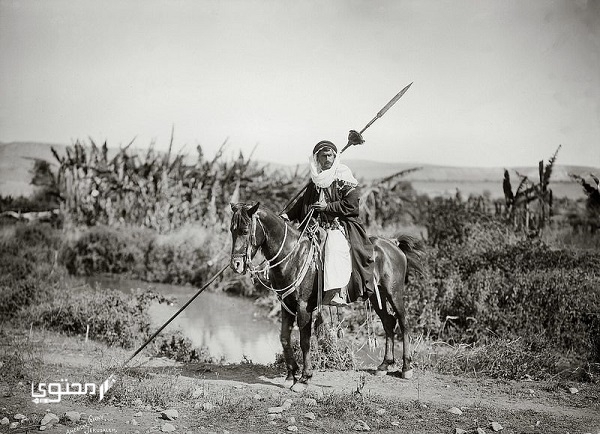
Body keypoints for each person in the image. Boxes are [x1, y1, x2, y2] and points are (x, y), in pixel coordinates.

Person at [282, 131, 375, 306]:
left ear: (335, 156)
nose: (327, 159)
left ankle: (337, 292)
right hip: (316, 225)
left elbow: (352, 205)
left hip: (340, 225)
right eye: (323, 156)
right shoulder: (317, 178)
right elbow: (304, 201)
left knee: (334, 246)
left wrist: (328, 207)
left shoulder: (343, 176)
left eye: (330, 155)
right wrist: (287, 215)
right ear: (317, 159)